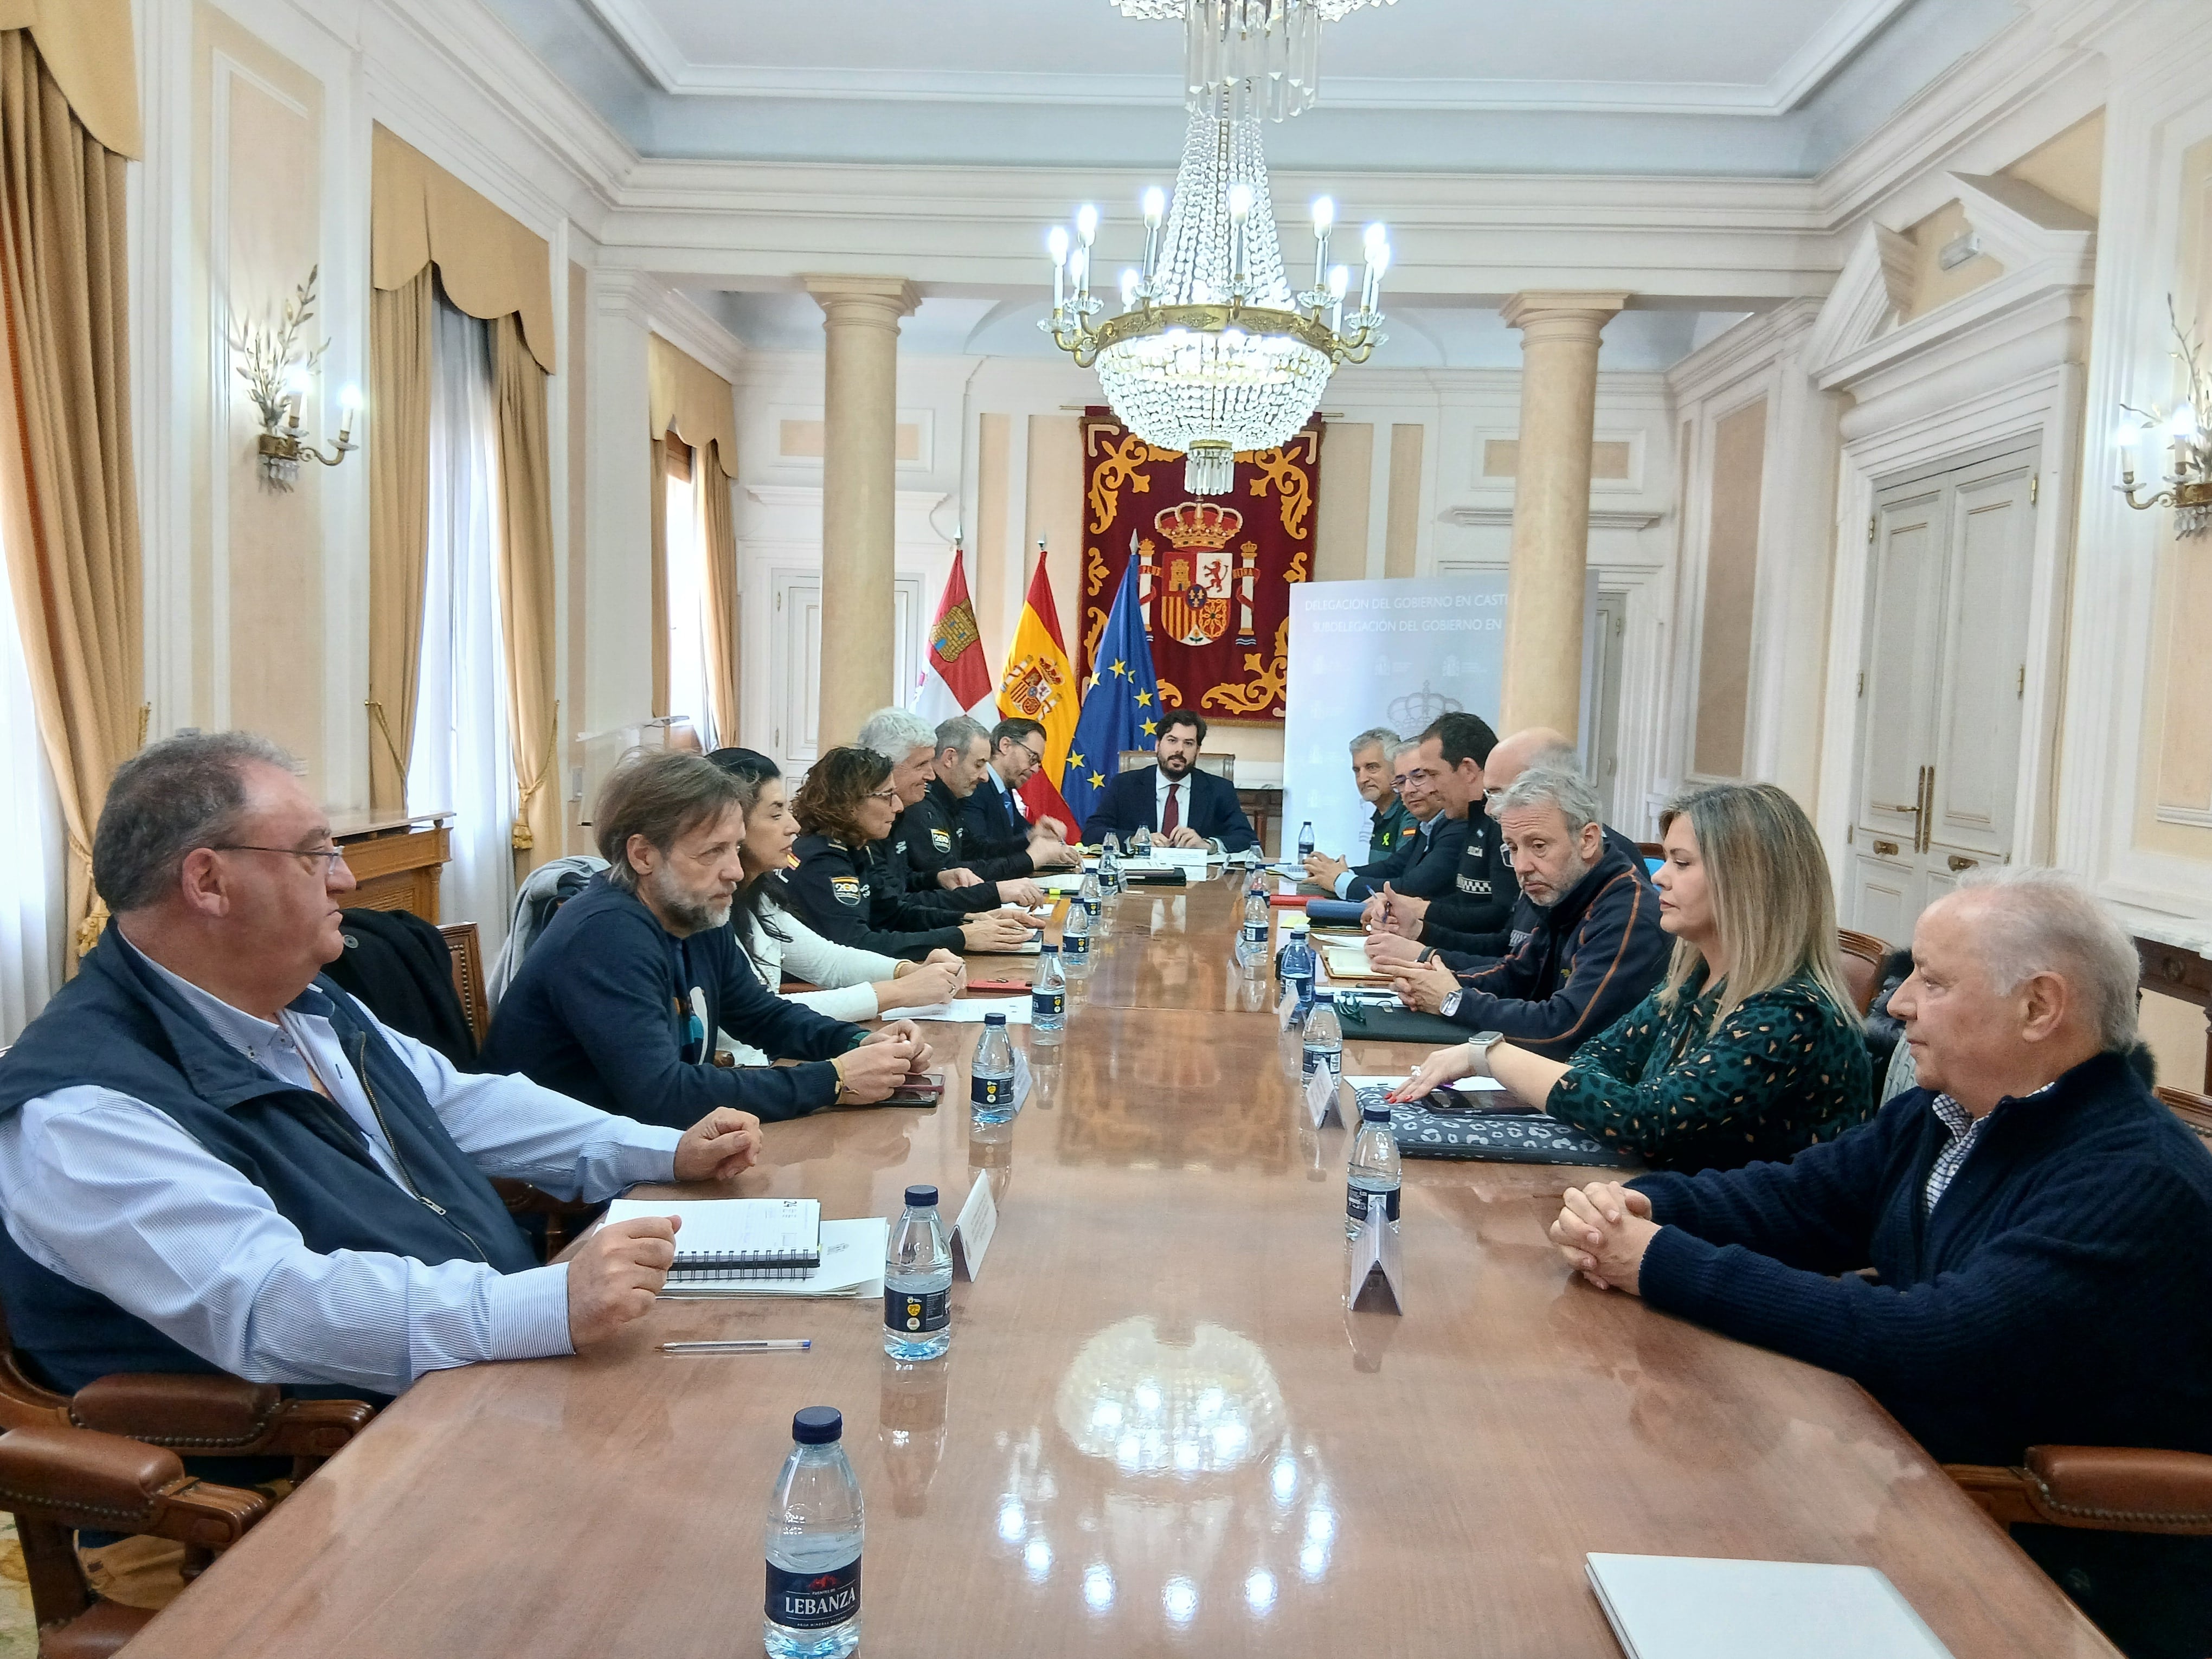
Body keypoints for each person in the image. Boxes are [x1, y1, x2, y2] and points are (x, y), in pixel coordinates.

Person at [1545, 867, 2212, 1659]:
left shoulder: (2132, 1178)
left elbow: (1930, 1343)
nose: (1896, 1006)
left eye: (1931, 983)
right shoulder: (1952, 1113)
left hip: (2050, 1573)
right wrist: (1640, 1209)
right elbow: (1797, 1202)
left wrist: (1657, 1262)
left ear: (2039, 1006)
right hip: (1906, 1482)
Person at [0, 732, 766, 1403]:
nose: (346, 879)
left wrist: (661, 1150)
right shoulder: (85, 1108)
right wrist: (544, 1304)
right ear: (208, 882)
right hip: (304, 1472)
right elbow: (271, 1304)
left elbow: (460, 1104)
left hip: (469, 1378)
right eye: (314, 855)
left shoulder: (309, 1003)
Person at [1392, 781, 1870, 1170]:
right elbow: (1595, 1057)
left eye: (1681, 863)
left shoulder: (1791, 1011)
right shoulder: (1692, 981)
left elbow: (1646, 1119)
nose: (1660, 875)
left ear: (1748, 881)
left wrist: (1488, 1056)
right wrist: (1620, 1101)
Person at [485, 750, 930, 1129]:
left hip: (646, 1148)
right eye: (711, 852)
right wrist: (833, 1079)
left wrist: (856, 1045)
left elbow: (759, 1015)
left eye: (735, 848)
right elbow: (662, 1094)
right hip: (568, 1181)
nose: (735, 871)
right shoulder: (606, 935)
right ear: (643, 855)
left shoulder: (695, 910)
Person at [1387, 767, 1667, 1058]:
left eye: (1538, 846)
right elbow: (1518, 974)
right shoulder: (1570, 891)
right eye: (1513, 848)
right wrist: (1433, 984)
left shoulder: (1628, 914)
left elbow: (1563, 1029)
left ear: (1587, 840)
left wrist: (1453, 1000)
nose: (1522, 866)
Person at [708, 747, 967, 1061]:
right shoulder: (706, 908)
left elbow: (827, 960)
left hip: (771, 1063)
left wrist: (906, 970)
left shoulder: (757, 893)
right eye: (776, 814)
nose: (794, 826)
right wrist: (900, 990)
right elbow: (761, 1012)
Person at [1367, 725, 1648, 967]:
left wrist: (1427, 958)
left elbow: (1556, 1011)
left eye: (1501, 793)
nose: (1489, 808)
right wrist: (1421, 936)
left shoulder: (1603, 867)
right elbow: (1513, 956)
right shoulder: (1531, 854)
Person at [787, 747, 1036, 960]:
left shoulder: (855, 845)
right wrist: (959, 937)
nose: (897, 807)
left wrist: (971, 920)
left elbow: (892, 913)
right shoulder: (822, 859)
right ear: (848, 803)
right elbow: (854, 945)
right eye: (887, 797)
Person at [856, 706, 1050, 911]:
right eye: (922, 764)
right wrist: (989, 898)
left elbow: (905, 885)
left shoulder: (939, 802)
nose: (931, 775)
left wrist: (938, 879)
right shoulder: (913, 808)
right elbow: (890, 911)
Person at [1360, 712, 1513, 943]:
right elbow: (1464, 903)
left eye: (1432, 774)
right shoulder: (1472, 817)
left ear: (1468, 770)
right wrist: (1410, 916)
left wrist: (1421, 914)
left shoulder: (1502, 823)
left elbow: (1500, 921)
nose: (1430, 788)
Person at [904, 715, 1082, 889]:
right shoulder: (921, 803)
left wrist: (1031, 839)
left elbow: (977, 851)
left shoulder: (949, 800)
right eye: (979, 764)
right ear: (950, 758)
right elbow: (951, 875)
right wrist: (1028, 860)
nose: (985, 777)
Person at [1079, 710, 1257, 852]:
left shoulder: (1219, 789)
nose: (1179, 750)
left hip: (1198, 884)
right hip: (1140, 884)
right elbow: (1092, 833)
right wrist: (1135, 840)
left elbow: (1246, 838)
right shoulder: (1125, 785)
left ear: (1198, 751)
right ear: (1158, 745)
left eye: (1188, 744)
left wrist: (1208, 845)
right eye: (1172, 741)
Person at [1301, 726, 1411, 895]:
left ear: (1396, 768)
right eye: (1357, 770)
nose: (1362, 779)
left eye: (1372, 767)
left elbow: (1402, 875)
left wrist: (1342, 878)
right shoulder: (1381, 814)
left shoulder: (1411, 812)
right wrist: (1334, 873)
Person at [961, 717, 1068, 859]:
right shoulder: (974, 787)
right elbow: (978, 850)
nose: (1036, 769)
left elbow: (1018, 832)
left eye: (1038, 764)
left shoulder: (1004, 790)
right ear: (1005, 745)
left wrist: (1047, 839)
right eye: (1033, 758)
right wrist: (1031, 837)